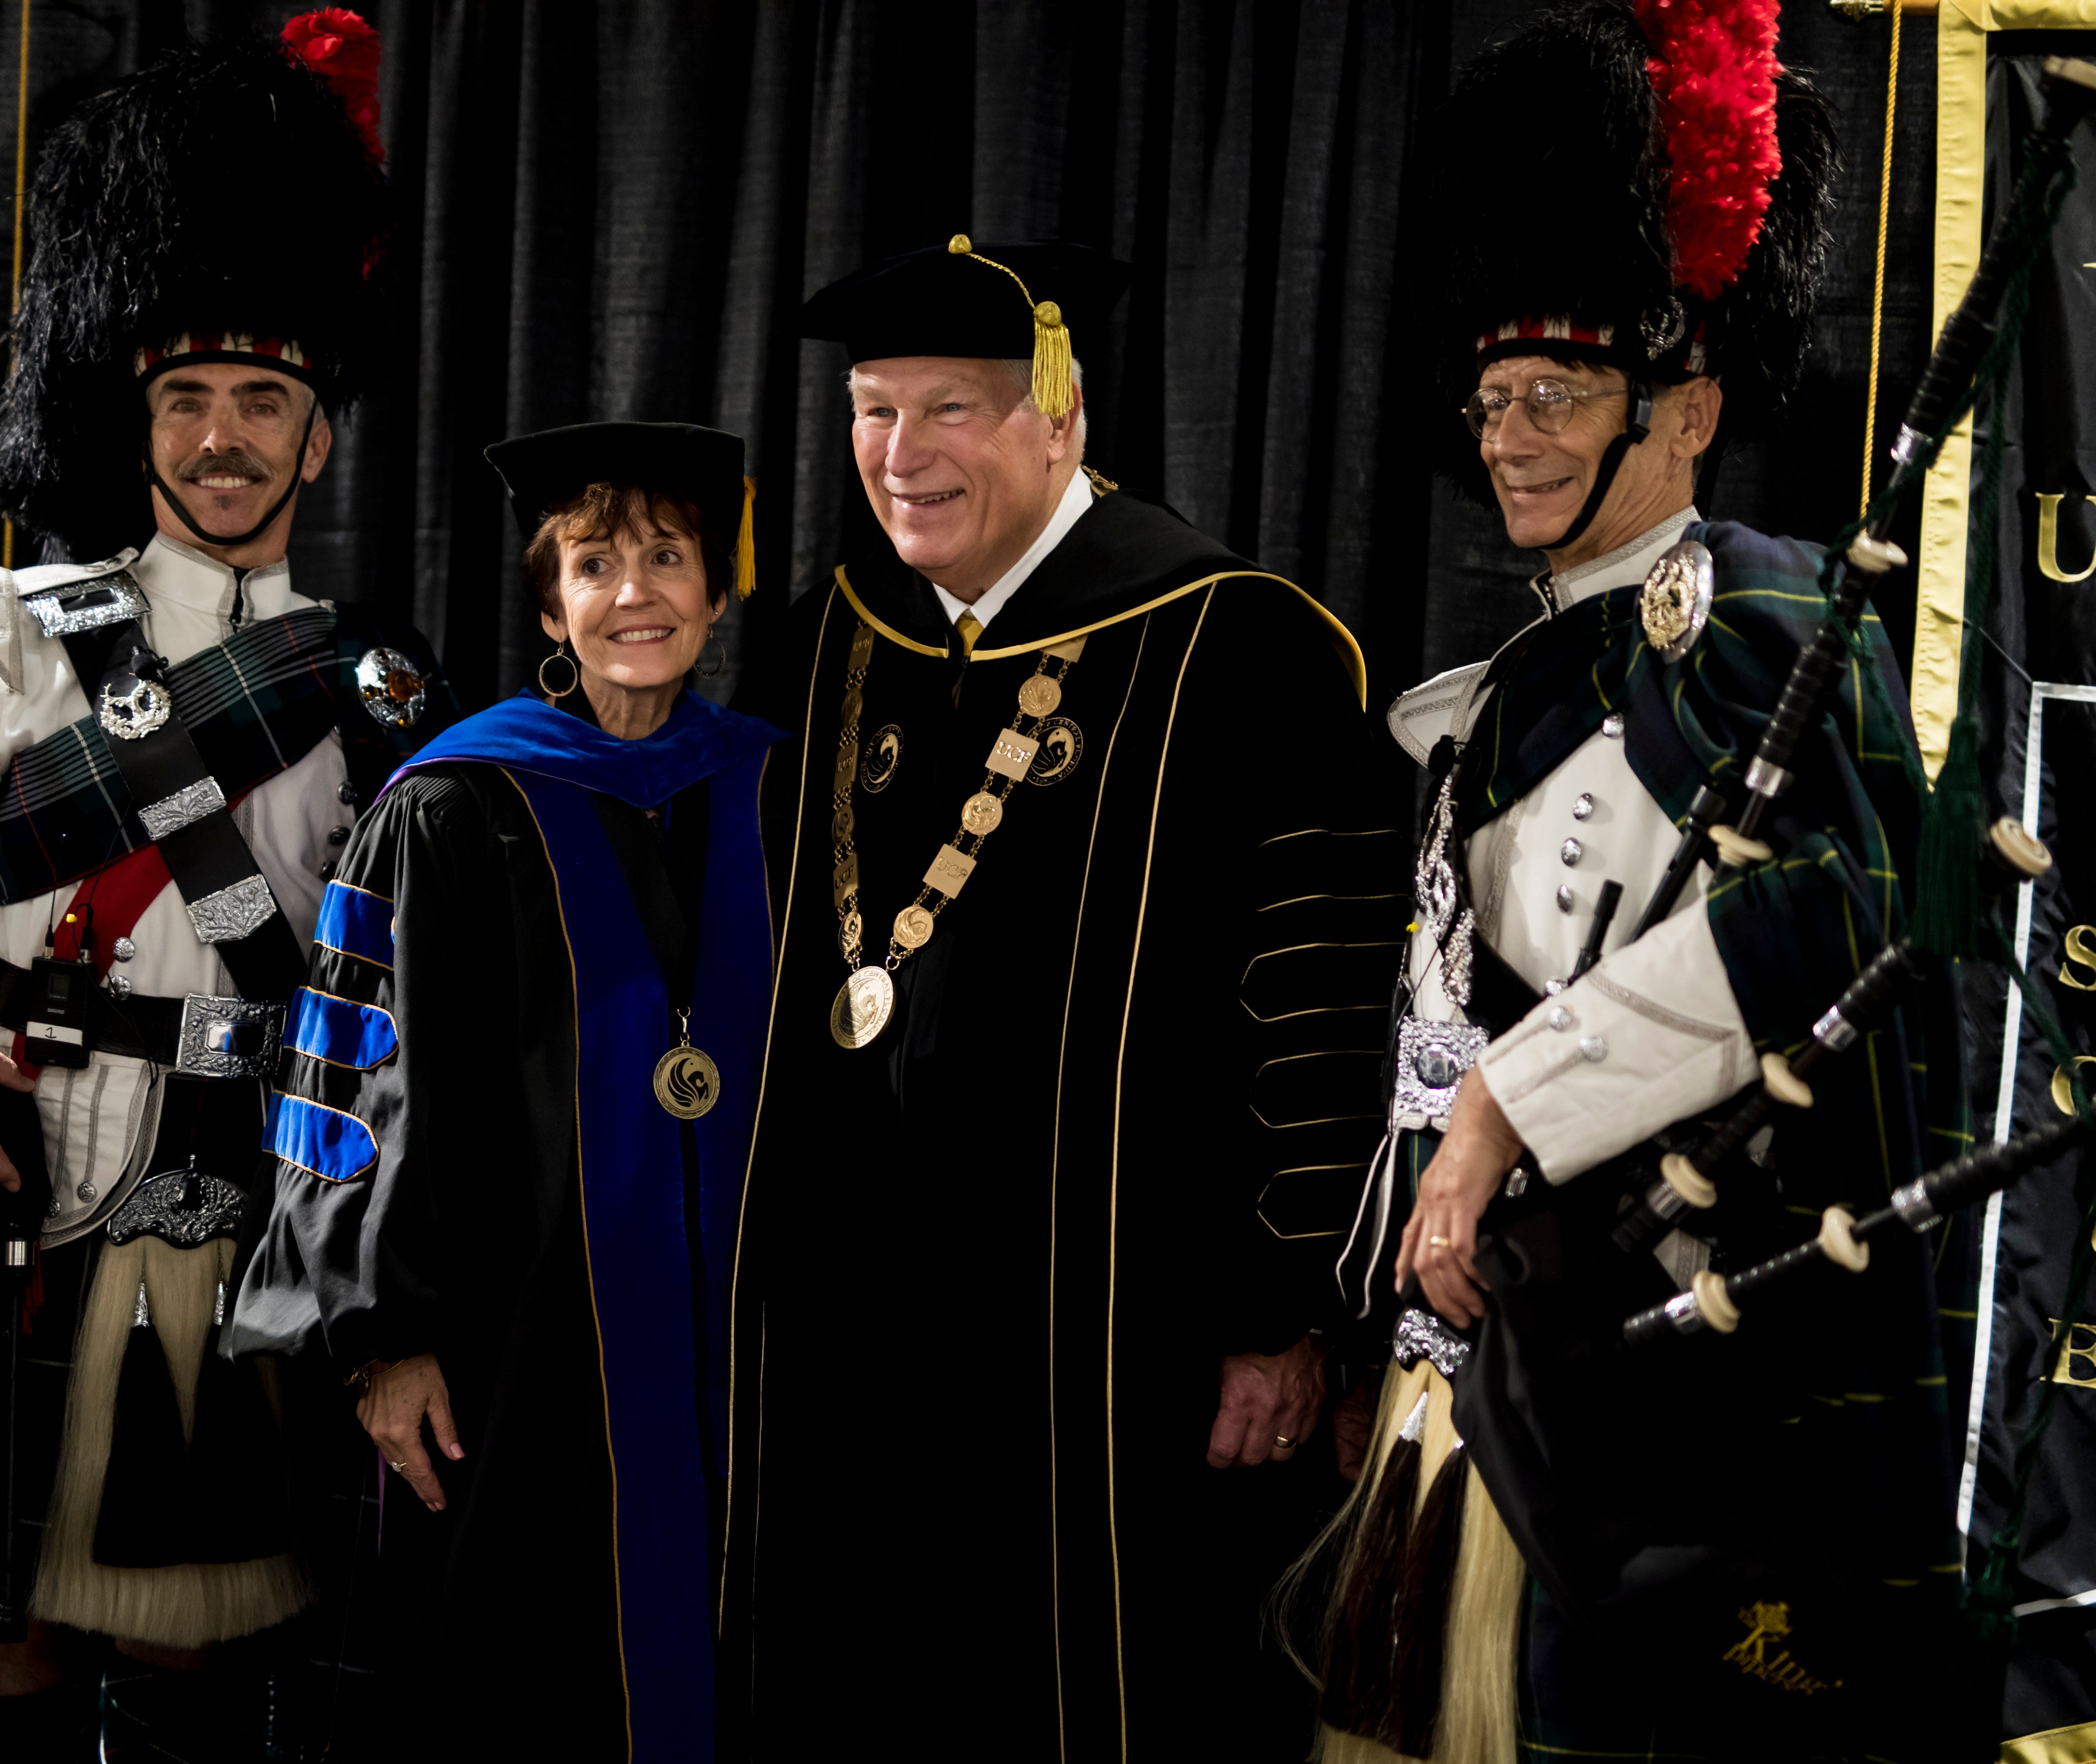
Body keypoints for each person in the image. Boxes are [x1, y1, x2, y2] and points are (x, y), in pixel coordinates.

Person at [0, 19, 443, 1760]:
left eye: (264, 403)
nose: (224, 439)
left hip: (254, 1190)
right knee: (11, 1642)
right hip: (31, 1181)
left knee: (210, 1654)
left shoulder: (382, 689)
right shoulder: (16, 636)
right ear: (136, 418)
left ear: (319, 442)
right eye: (190, 401)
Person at [1303, 5, 1961, 1761]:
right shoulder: (1524, 669)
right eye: (1491, 397)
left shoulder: (1751, 615)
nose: (1506, 436)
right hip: (1480, 1346)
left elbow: (1828, 917)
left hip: (1654, 1372)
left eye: (1556, 396)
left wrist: (1503, 1113)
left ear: (1683, 408)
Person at [724, 236, 1407, 1755]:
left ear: (1060, 420)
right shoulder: (826, 640)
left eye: (950, 409)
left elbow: (1318, 1021)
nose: (901, 457)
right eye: (871, 411)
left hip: (1127, 1348)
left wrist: (1278, 1316)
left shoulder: (1243, 645)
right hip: (854, 1332)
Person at [229, 422, 782, 1759]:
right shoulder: (455, 805)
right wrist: (382, 1335)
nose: (635, 591)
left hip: (753, 1352)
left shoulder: (779, 787)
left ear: (717, 588)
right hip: (518, 1349)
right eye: (596, 564)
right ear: (553, 606)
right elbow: (353, 1078)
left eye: (668, 557)